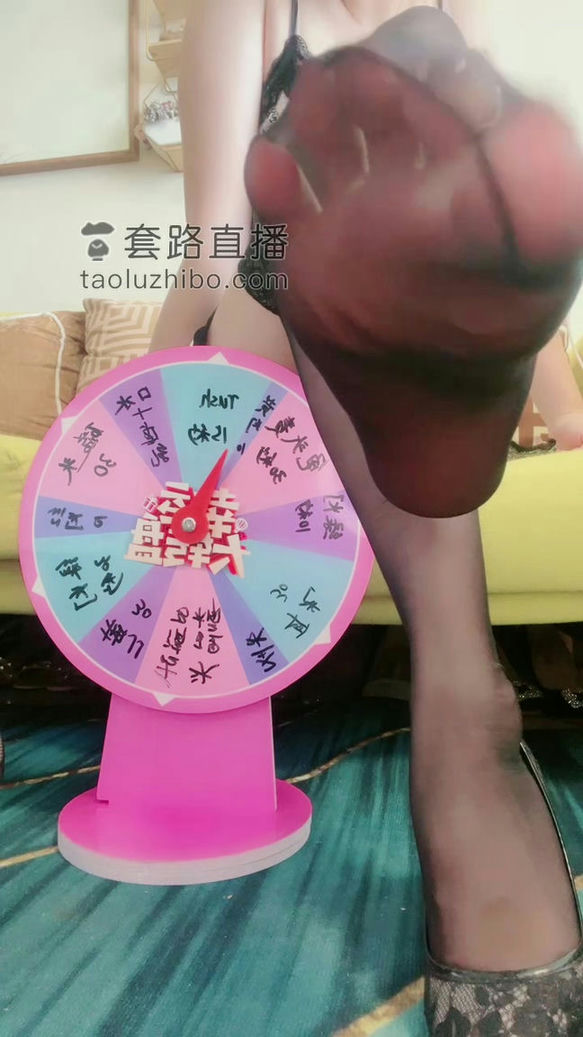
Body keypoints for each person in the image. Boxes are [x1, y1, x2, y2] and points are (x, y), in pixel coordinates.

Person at [150, 2, 583, 1031]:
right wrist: (156, 414)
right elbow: (212, 244)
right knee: (315, 230)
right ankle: (465, 719)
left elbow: (493, 223)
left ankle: (412, 341)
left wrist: (565, 412)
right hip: (254, 340)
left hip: (400, 325)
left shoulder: (451, 18)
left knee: (419, 228)